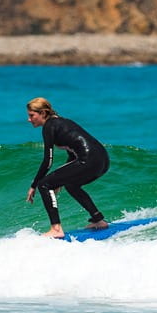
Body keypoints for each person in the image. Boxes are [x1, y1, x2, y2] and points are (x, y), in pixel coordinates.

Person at [25, 97, 110, 238]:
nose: (29, 119)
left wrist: (34, 185)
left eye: (32, 115)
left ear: (43, 113)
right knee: (71, 184)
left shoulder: (49, 126)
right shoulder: (61, 122)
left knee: (44, 185)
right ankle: (98, 220)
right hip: (102, 160)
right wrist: (61, 178)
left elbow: (48, 161)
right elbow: (73, 154)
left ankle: (56, 229)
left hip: (89, 159)